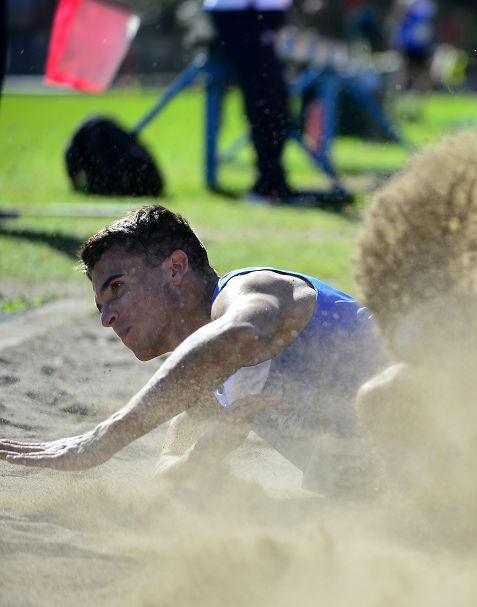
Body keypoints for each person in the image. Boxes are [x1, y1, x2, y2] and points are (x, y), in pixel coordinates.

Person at [0, 205, 386, 496]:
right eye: (101, 306)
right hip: (405, 493)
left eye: (117, 288)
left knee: (386, 395)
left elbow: (239, 334)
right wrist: (199, 457)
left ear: (175, 268)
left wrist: (104, 439)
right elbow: (166, 477)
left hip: (435, 399)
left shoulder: (246, 290)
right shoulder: (203, 382)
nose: (107, 318)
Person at [205, 0, 294, 202]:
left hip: (264, 16)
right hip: (240, 16)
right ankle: (268, 181)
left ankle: (272, 178)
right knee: (266, 100)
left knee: (274, 100)